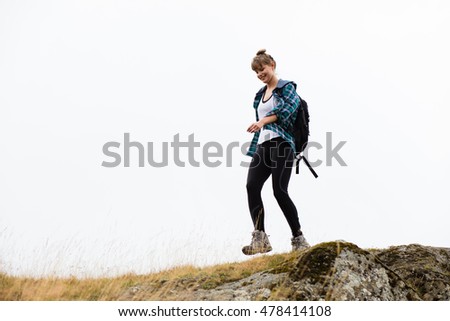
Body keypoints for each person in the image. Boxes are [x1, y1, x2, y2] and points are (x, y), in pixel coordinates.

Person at [242, 49, 310, 255]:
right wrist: (260, 125)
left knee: (279, 191)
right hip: (262, 146)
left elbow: (287, 112)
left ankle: (298, 238)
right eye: (256, 73)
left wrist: (263, 121)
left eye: (262, 69)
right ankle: (260, 237)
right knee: (251, 186)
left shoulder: (287, 88)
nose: (260, 75)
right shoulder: (259, 96)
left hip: (282, 145)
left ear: (272, 65)